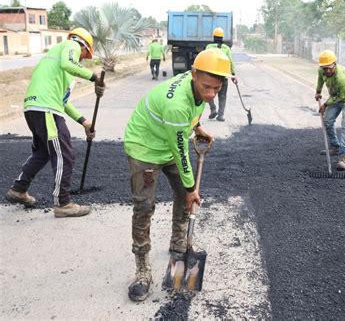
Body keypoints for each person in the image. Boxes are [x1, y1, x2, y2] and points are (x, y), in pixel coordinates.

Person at [124, 48, 231, 301]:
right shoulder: (176, 105)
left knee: (184, 196)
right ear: (193, 75)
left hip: (169, 142)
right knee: (145, 206)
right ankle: (142, 269)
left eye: (216, 89)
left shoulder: (195, 89)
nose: (210, 94)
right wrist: (192, 188)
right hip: (145, 149)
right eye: (206, 87)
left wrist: (198, 127)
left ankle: (178, 245)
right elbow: (181, 151)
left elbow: (190, 116)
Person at [5, 28, 106, 217]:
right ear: (84, 47)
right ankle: (63, 203)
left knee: (43, 152)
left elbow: (63, 102)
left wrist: (84, 122)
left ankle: (19, 189)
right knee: (64, 154)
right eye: (84, 56)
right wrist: (95, 78)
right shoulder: (71, 44)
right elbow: (70, 63)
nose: (81, 60)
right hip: (46, 109)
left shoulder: (58, 68)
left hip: (34, 108)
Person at [315, 50, 345, 171]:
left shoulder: (341, 77)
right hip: (337, 95)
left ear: (335, 64)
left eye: (329, 68)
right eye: (325, 68)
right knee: (328, 121)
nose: (327, 71)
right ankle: (335, 147)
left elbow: (342, 97)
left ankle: (344, 156)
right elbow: (320, 79)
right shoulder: (322, 71)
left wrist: (325, 104)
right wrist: (318, 92)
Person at [205, 27, 237, 122]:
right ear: (222, 38)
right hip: (222, 77)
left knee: (209, 93)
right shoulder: (226, 48)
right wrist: (233, 74)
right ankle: (221, 115)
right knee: (222, 95)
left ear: (214, 37)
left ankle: (213, 109)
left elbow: (205, 59)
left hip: (211, 76)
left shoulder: (209, 47)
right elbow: (230, 61)